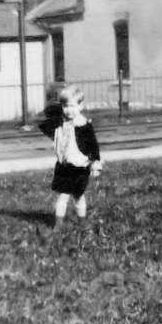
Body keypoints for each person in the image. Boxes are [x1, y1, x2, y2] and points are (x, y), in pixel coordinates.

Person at [39, 85, 102, 230]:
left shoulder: (85, 124)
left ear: (81, 106)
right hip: (64, 166)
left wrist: (95, 164)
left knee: (79, 196)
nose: (69, 110)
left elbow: (93, 146)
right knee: (63, 195)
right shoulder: (59, 123)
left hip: (80, 166)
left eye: (73, 106)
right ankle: (58, 224)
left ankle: (82, 221)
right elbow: (45, 120)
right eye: (65, 106)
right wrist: (58, 108)